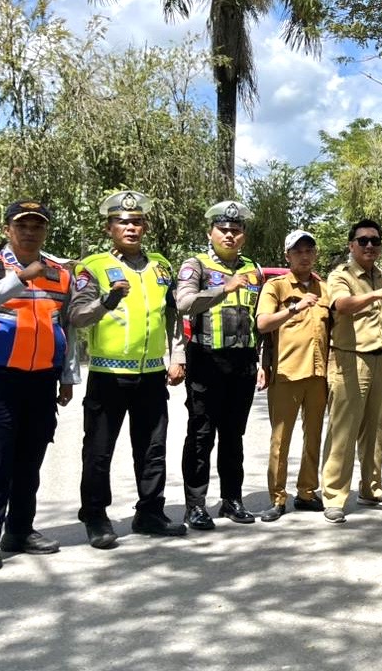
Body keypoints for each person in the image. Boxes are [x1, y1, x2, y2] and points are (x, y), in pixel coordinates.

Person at [0, 201, 78, 570]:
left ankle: (20, 530)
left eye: (37, 225)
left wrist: (66, 375)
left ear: (45, 231)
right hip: (0, 379)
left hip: (43, 380)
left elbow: (68, 327)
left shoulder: (59, 272)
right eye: (22, 224)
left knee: (30, 460)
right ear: (7, 229)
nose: (30, 231)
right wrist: (19, 277)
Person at [70, 191, 187, 548]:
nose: (131, 227)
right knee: (99, 450)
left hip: (151, 373)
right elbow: (75, 315)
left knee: (153, 448)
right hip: (108, 374)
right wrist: (106, 301)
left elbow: (174, 315)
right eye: (123, 222)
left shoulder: (161, 266)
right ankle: (95, 515)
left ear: (145, 226)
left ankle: (149, 511)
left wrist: (177, 356)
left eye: (136, 221)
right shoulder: (92, 267)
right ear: (110, 228)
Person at [175, 201, 261, 529]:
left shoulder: (253, 269)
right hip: (206, 360)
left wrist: (262, 361)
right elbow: (183, 303)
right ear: (210, 232)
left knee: (233, 435)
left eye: (236, 230)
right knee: (201, 435)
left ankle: (232, 499)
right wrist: (224, 288)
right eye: (223, 230)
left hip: (242, 363)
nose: (229, 235)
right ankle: (195, 505)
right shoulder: (195, 264)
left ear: (244, 236)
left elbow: (258, 320)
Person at [319, 219, 382, 523]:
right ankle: (333, 496)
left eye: (375, 241)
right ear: (351, 245)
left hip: (380, 358)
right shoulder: (341, 275)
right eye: (363, 240)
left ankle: (371, 488)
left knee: (376, 429)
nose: (370, 246)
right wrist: (379, 295)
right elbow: (342, 305)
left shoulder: (379, 274)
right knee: (343, 430)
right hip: (349, 359)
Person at [255, 229, 330, 521]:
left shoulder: (324, 287)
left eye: (309, 250)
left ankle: (307, 492)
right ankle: (277, 498)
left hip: (317, 373)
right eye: (298, 251)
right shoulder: (276, 287)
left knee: (313, 437)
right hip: (286, 373)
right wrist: (295, 307)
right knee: (280, 441)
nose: (304, 255)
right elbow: (262, 324)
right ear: (287, 256)